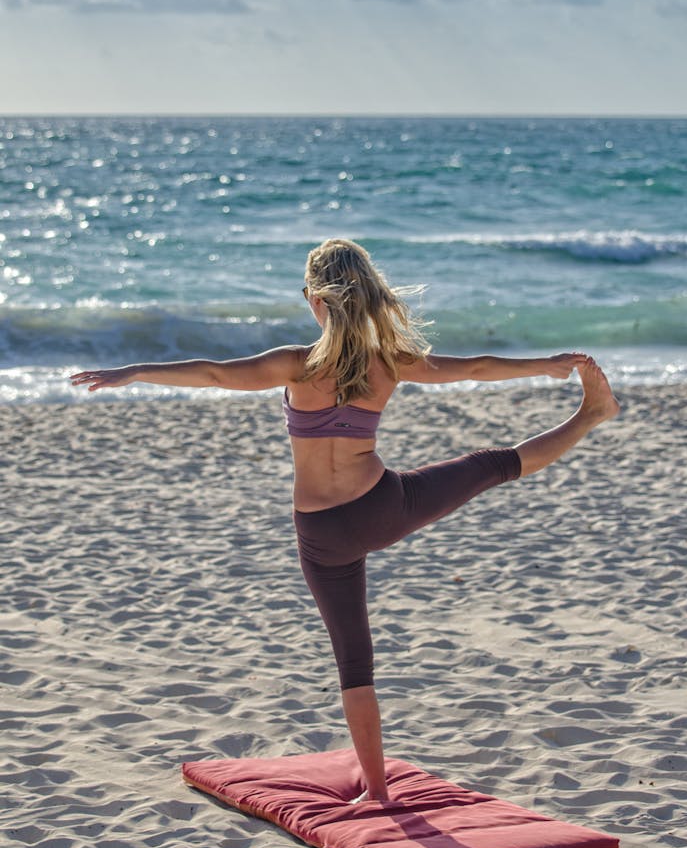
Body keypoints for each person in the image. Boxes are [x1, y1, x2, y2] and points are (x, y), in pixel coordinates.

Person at [71, 237, 619, 804]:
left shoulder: (294, 364)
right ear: (369, 296)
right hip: (384, 508)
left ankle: (376, 791)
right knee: (491, 466)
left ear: (313, 298)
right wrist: (546, 364)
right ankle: (590, 415)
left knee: (354, 662)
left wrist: (133, 371)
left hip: (322, 534)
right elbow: (475, 367)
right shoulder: (389, 364)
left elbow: (213, 374)